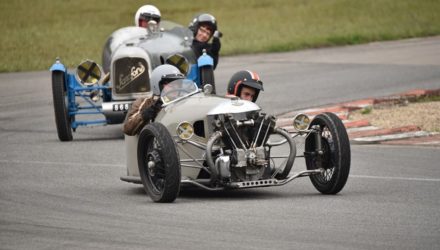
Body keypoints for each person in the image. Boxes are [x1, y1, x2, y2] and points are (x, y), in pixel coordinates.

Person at [123, 64, 185, 136]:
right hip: (152, 143)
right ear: (157, 84)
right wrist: (145, 114)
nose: (175, 87)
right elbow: (127, 128)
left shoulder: (185, 100)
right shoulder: (145, 101)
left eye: (178, 83)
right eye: (170, 84)